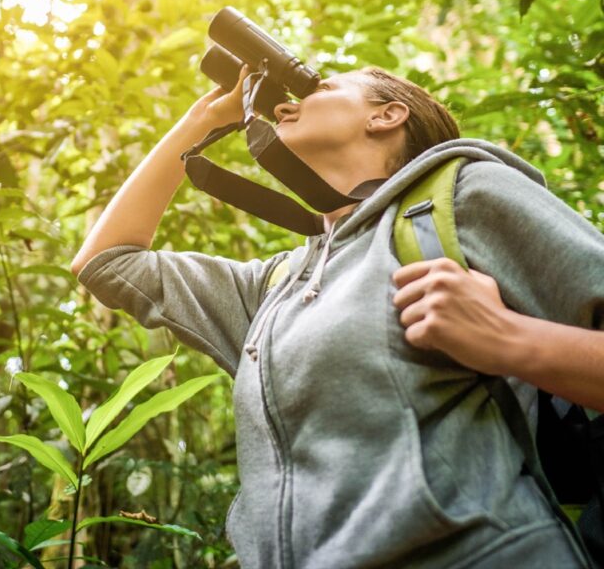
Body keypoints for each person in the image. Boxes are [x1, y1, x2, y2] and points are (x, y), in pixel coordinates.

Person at [71, 63, 604, 568]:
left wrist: (509, 339)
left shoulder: (463, 195)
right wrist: (206, 119)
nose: (284, 108)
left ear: (387, 115)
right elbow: (107, 261)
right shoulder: (277, 286)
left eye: (321, 88)